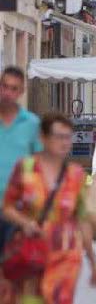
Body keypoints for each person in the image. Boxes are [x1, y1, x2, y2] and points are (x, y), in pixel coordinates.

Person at [2, 112, 96, 303]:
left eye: (68, 137)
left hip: (65, 256)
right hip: (31, 252)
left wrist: (93, 260)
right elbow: (7, 207)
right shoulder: (26, 168)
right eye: (58, 136)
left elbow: (82, 219)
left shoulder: (76, 175)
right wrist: (25, 222)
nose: (64, 142)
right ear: (43, 138)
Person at [0, 66, 42, 252]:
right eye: (4, 86)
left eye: (14, 88)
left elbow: (39, 165)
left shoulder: (32, 124)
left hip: (18, 209)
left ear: (21, 92)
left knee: (12, 268)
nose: (7, 93)